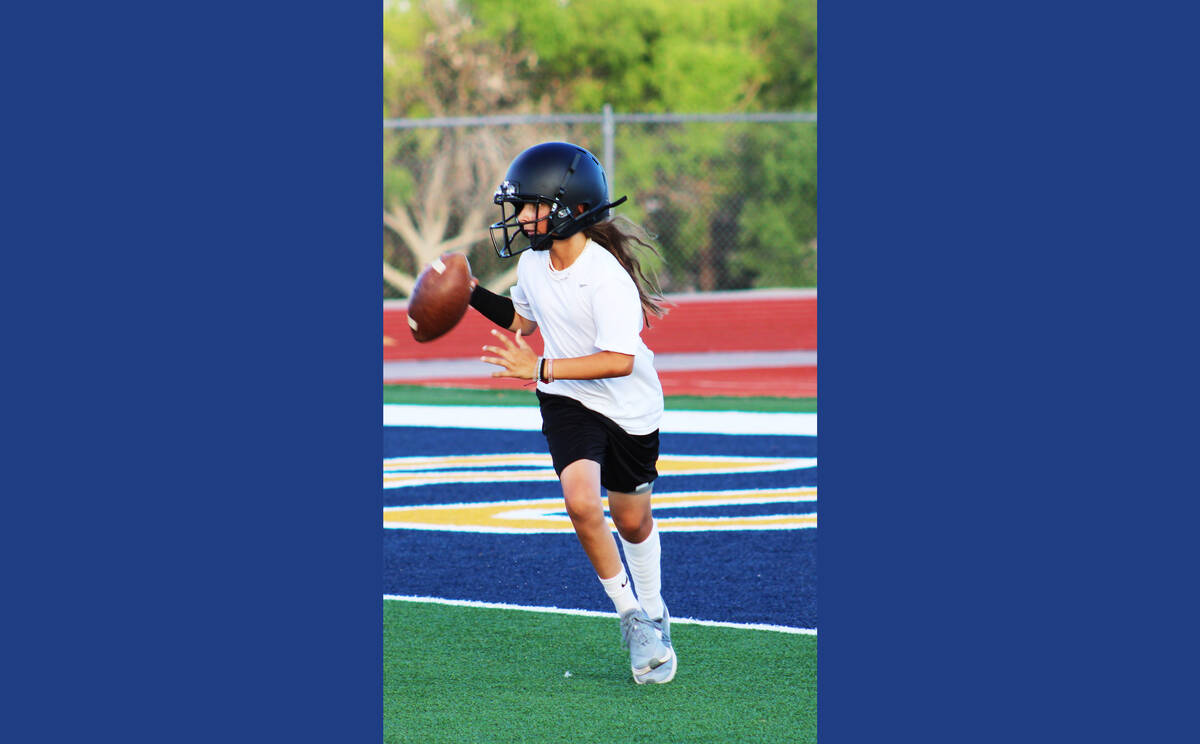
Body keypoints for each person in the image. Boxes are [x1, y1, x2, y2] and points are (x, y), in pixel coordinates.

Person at [467, 141, 676, 684]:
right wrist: (467, 292)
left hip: (629, 407)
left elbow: (619, 361)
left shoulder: (605, 277)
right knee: (581, 502)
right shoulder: (535, 263)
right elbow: (524, 320)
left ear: (568, 208)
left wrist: (539, 367)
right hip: (568, 398)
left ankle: (655, 608)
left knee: (632, 521)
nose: (520, 218)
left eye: (531, 205)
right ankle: (633, 620)